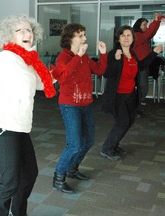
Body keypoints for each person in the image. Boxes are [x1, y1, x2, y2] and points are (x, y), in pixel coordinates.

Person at [0, 15, 56, 216]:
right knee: (10, 180)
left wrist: (53, 75)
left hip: (21, 126)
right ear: (10, 35)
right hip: (5, 126)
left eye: (29, 30)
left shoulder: (27, 60)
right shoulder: (5, 58)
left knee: (29, 174)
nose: (27, 33)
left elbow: (36, 85)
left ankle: (17, 212)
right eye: (21, 30)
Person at [51, 23, 107, 193]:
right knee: (74, 144)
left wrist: (103, 54)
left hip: (86, 104)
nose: (84, 38)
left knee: (88, 140)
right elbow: (63, 78)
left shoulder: (84, 56)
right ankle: (59, 177)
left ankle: (73, 169)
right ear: (70, 39)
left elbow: (99, 70)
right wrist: (78, 57)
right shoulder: (63, 57)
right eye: (80, 35)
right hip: (70, 105)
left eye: (84, 34)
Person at [101, 25, 163, 160]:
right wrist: (117, 60)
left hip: (130, 95)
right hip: (117, 95)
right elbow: (107, 73)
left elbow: (140, 67)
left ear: (133, 38)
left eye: (129, 35)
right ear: (118, 38)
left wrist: (154, 53)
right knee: (122, 122)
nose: (126, 38)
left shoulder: (132, 53)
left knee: (129, 121)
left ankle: (114, 145)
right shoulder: (114, 53)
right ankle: (107, 148)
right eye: (123, 35)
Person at [132, 13, 163, 109]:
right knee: (142, 86)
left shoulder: (142, 36)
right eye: (144, 24)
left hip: (144, 64)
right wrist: (156, 21)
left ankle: (137, 102)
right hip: (139, 65)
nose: (146, 26)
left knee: (142, 86)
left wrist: (157, 22)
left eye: (146, 24)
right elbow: (149, 32)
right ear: (138, 26)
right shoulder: (137, 35)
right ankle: (136, 103)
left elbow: (152, 33)